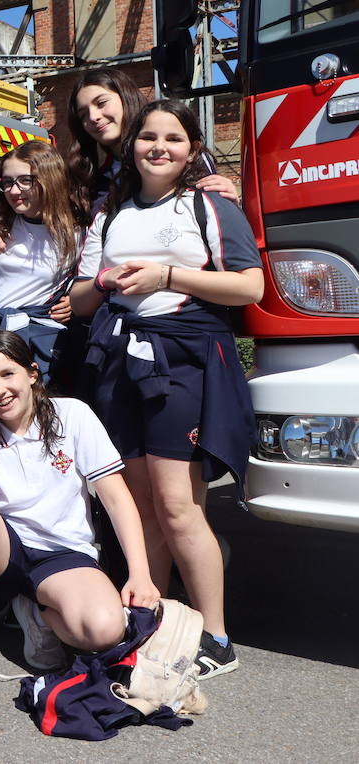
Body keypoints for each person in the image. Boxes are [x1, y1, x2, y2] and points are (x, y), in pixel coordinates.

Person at [70, 98, 262, 679]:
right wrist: (104, 281)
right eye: (148, 136)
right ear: (131, 146)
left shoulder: (211, 205)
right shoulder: (111, 210)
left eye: (173, 138)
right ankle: (149, 618)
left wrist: (168, 276)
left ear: (192, 149)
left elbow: (250, 285)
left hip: (185, 362)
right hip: (119, 363)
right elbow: (80, 299)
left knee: (178, 506)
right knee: (140, 506)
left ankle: (216, 637)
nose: (159, 147)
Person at [0, 331, 159, 696]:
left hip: (63, 554)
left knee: (104, 630)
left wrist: (140, 574)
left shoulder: (74, 415)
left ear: (32, 373)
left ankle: (37, 610)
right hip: (5, 552)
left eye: (7, 374)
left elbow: (116, 498)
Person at [65, 67, 236, 217]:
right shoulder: (92, 177)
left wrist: (226, 200)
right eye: (83, 114)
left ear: (126, 98)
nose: (93, 117)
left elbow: (217, 218)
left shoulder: (178, 154)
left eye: (101, 103)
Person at [0, 139, 86, 389]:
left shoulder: (77, 231)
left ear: (48, 178)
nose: (14, 190)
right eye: (7, 182)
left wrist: (76, 299)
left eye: (25, 180)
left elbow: (97, 277)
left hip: (42, 347)